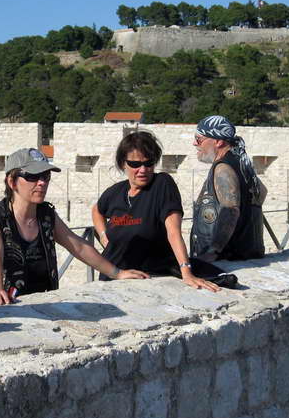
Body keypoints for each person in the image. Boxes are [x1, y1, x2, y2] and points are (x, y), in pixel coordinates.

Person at [0, 148, 148, 306]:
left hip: (41, 305)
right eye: (32, 177)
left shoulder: (46, 215)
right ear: (12, 182)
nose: (42, 182)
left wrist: (118, 273)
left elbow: (78, 246)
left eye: (46, 176)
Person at [92, 131, 219, 292]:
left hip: (145, 279)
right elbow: (97, 210)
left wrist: (186, 272)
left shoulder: (162, 184)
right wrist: (103, 236)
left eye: (149, 163)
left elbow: (173, 232)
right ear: (123, 163)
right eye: (135, 164)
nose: (143, 170)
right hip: (111, 278)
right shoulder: (116, 192)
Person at [190, 115, 267, 263]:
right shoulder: (240, 162)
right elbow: (261, 192)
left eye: (199, 139)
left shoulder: (223, 168)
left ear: (218, 141)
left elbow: (231, 211)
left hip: (228, 258)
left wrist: (213, 251)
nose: (195, 143)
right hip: (247, 253)